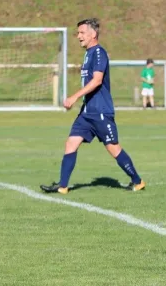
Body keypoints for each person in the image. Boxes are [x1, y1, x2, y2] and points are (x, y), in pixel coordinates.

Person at [40, 19, 146, 195]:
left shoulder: (98, 53)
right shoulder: (88, 54)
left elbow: (97, 81)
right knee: (71, 143)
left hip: (100, 111)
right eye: (78, 33)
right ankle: (63, 186)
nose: (78, 36)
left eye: (82, 33)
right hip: (87, 112)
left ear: (93, 34)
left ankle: (137, 181)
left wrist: (74, 96)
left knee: (113, 148)